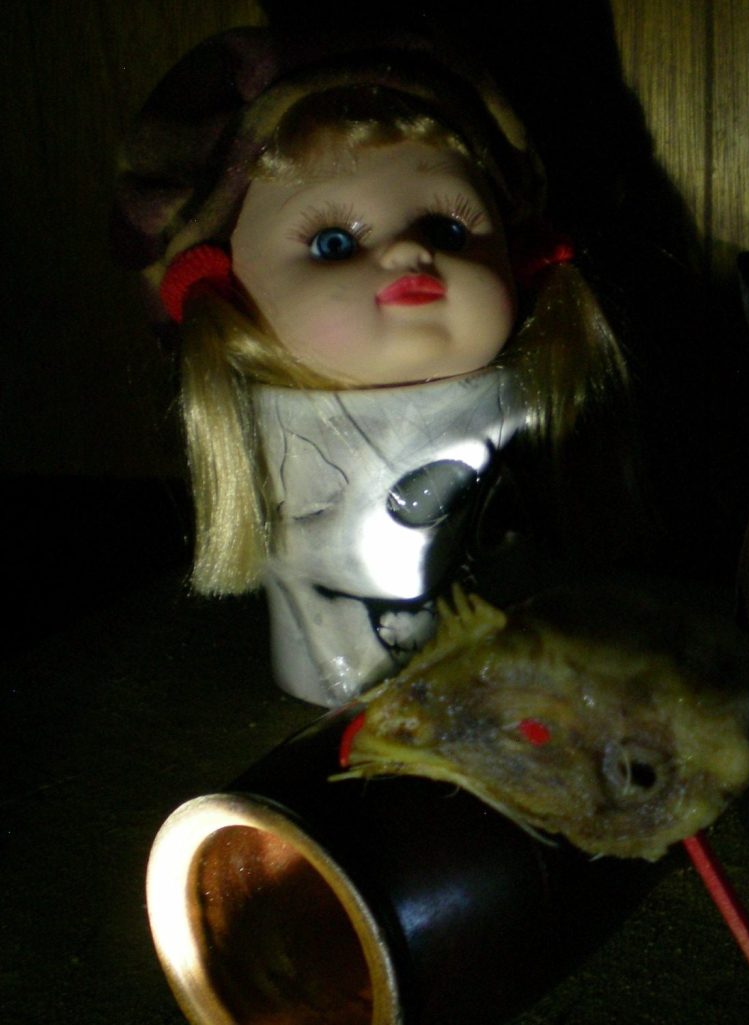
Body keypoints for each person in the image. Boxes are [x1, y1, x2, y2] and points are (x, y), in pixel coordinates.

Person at [115, 28, 627, 703]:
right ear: (218, 292)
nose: (409, 253)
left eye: (448, 229)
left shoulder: (549, 428)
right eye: (333, 243)